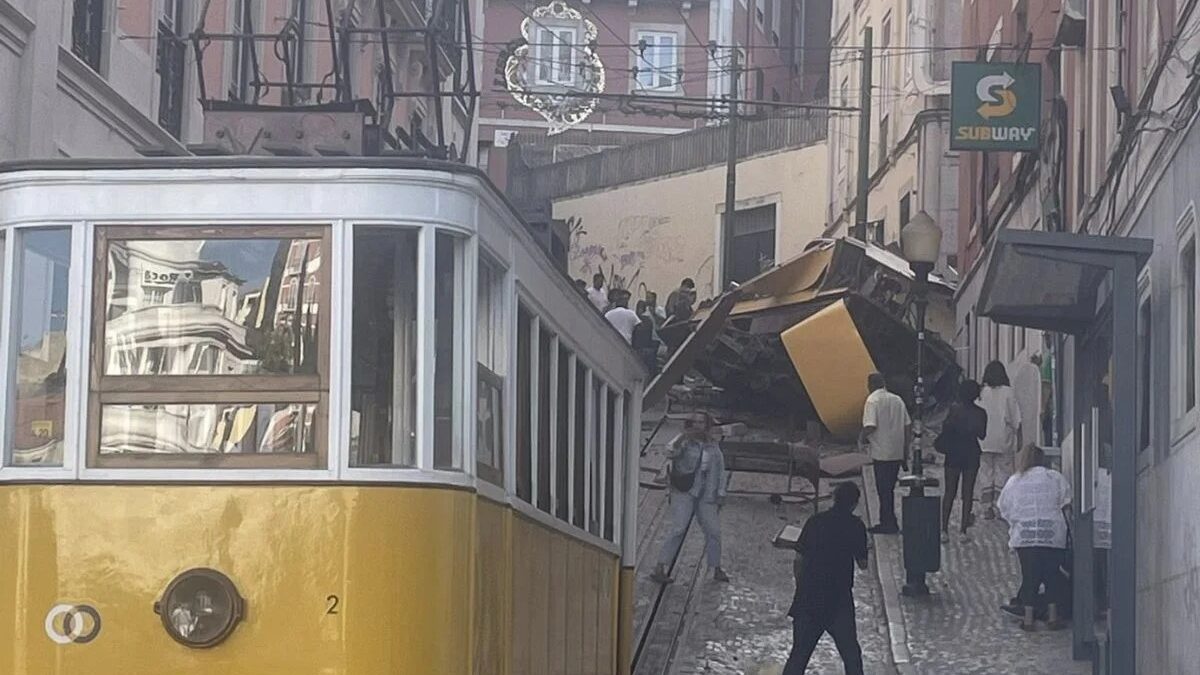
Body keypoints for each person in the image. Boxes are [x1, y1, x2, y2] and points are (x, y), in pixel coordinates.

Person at [783, 481, 868, 675]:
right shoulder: (856, 526)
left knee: (798, 657)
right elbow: (863, 564)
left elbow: (799, 560)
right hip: (838, 600)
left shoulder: (815, 521)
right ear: (854, 504)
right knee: (851, 657)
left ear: (834, 498)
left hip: (809, 597)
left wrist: (801, 586)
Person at [998, 444, 1070, 631]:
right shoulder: (1054, 477)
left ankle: (1028, 620)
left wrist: (1016, 522)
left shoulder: (1015, 480)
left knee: (1030, 575)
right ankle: (1053, 617)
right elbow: (1065, 500)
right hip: (1051, 534)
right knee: (1051, 575)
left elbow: (1004, 507)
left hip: (1026, 535)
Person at [649, 412, 729, 584]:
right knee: (678, 528)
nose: (698, 425)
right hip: (684, 491)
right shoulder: (684, 440)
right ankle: (660, 566)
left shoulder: (713, 444)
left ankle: (716, 567)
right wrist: (682, 438)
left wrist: (721, 492)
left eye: (701, 422)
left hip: (707, 493)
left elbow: (720, 469)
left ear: (707, 425)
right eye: (695, 422)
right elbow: (670, 452)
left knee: (714, 531)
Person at [935, 380, 987, 543]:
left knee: (949, 492)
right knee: (967, 492)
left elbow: (946, 429)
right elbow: (982, 435)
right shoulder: (981, 413)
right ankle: (963, 530)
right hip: (971, 453)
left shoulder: (954, 410)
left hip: (953, 453)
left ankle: (944, 529)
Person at [860, 372, 909, 534]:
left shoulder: (872, 401)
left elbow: (870, 426)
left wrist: (861, 438)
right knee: (889, 488)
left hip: (881, 453)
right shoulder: (897, 400)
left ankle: (887, 523)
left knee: (883, 490)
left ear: (870, 385)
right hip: (896, 452)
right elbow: (907, 426)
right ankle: (889, 521)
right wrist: (905, 451)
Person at [978, 360, 1022, 519]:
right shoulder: (1009, 393)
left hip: (983, 440)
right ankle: (1001, 507)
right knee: (1003, 472)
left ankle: (987, 508)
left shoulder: (981, 393)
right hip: (1003, 439)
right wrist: (1020, 438)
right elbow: (1016, 418)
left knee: (986, 473)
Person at [632, 300, 659, 373]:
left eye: (640, 308)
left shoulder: (637, 319)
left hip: (639, 348)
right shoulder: (647, 319)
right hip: (643, 347)